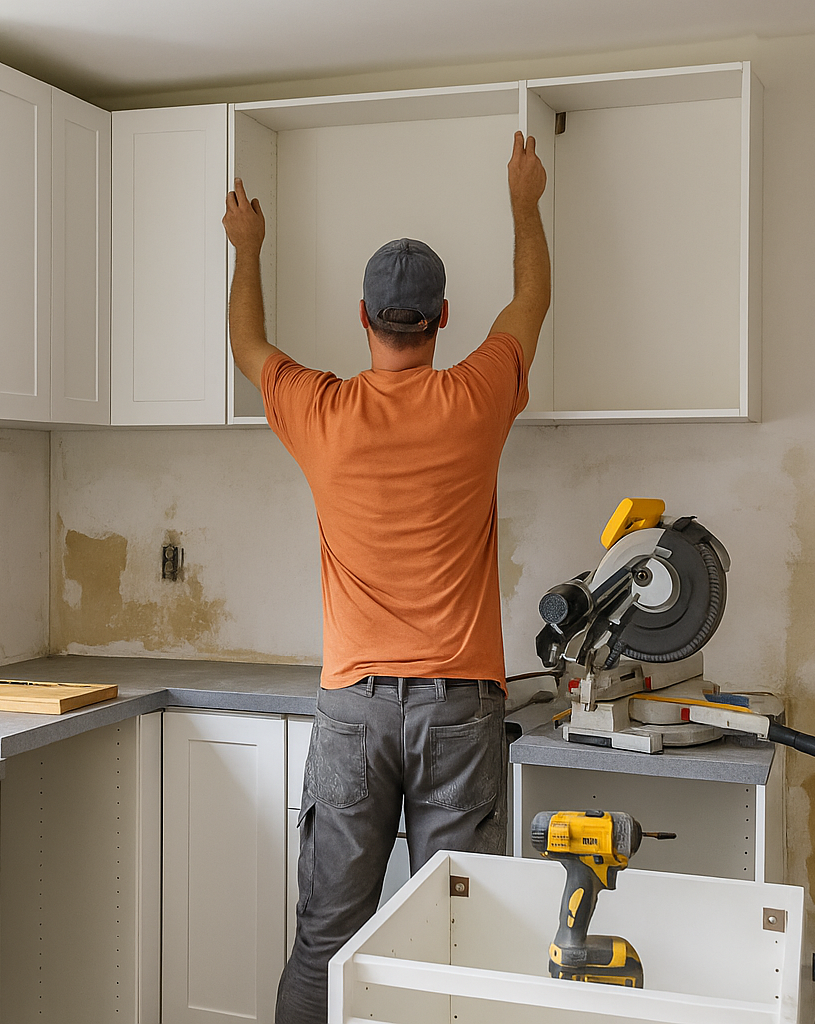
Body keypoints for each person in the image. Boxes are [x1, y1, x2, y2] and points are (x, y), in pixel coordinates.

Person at [221, 131, 549, 1024]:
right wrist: (525, 203)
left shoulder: (319, 408)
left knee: (326, 941)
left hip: (353, 713)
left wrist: (247, 247)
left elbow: (248, 342)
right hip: (458, 711)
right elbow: (531, 300)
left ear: (361, 317)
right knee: (457, 941)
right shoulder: (478, 395)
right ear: (442, 318)